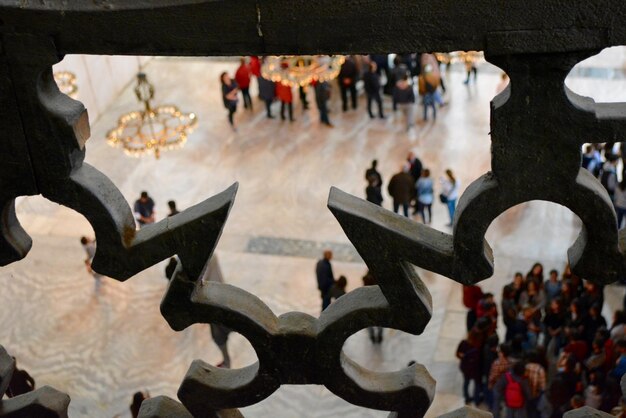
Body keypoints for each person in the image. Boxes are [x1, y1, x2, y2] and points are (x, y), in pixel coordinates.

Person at [457, 329, 484, 406]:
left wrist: (464, 357)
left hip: (466, 368)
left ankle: (467, 398)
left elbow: (457, 354)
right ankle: (476, 399)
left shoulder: (463, 343)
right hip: (476, 369)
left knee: (466, 383)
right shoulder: (479, 347)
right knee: (477, 384)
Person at [363, 271, 383, 343]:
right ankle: (379, 335)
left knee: (369, 321)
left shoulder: (366, 280)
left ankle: (372, 336)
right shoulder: (378, 279)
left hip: (368, 304)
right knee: (380, 320)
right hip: (378, 304)